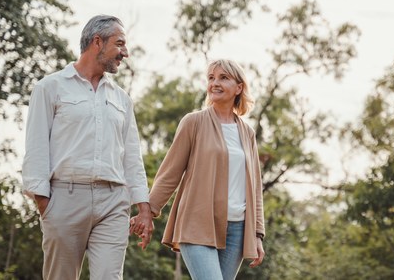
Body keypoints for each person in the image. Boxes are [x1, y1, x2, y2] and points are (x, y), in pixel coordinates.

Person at [22, 15, 154, 280]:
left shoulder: (122, 99)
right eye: (119, 44)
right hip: (65, 199)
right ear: (97, 42)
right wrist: (45, 204)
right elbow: (36, 149)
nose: (125, 53)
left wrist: (143, 207)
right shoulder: (50, 88)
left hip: (113, 203)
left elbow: (131, 156)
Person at [133, 59, 266, 279]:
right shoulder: (193, 122)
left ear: (239, 87)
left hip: (237, 230)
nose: (215, 83)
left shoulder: (247, 133)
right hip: (197, 223)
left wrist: (257, 234)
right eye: (211, 78)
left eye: (223, 78)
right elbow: (170, 173)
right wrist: (148, 211)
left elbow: (255, 188)